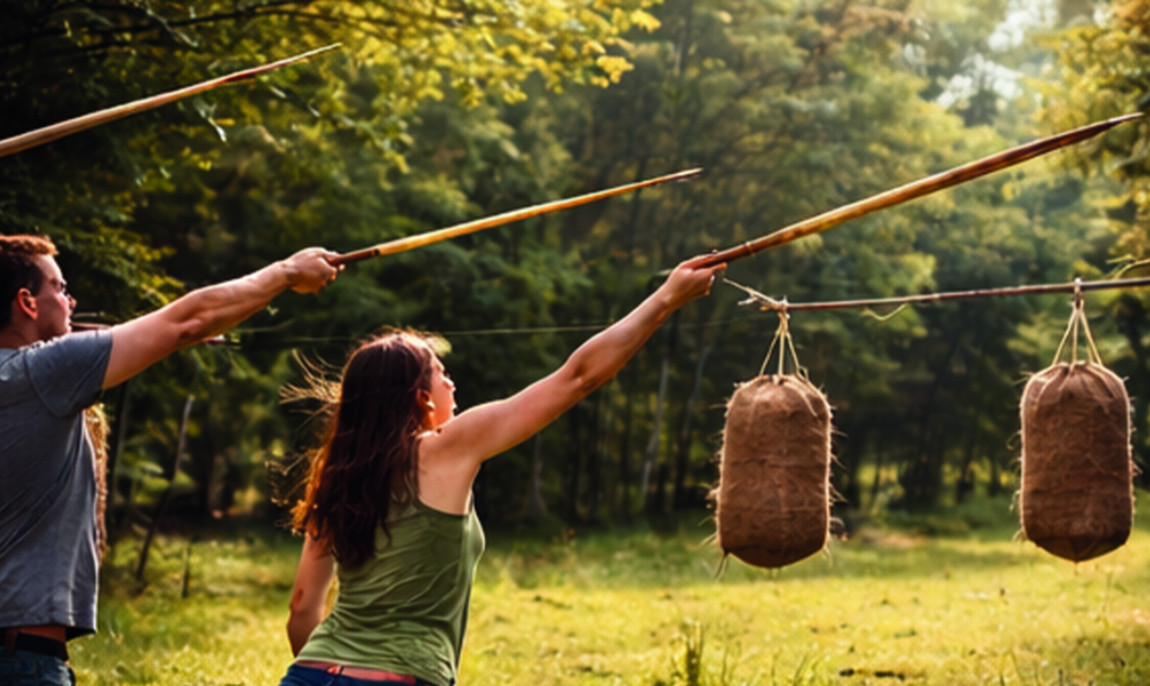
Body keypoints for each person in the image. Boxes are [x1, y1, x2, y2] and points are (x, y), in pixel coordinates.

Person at [280, 254, 725, 686]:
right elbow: (578, 377)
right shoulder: (448, 447)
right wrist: (666, 298)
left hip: (309, 673)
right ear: (421, 399)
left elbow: (302, 609)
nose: (452, 382)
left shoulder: (337, 478)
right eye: (441, 372)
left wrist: (335, 668)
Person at [0, 233, 341, 685]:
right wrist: (287, 272)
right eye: (60, 289)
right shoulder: (41, 372)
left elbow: (166, 332)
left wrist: (156, 341)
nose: (72, 299)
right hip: (22, 660)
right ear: (26, 302)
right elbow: (188, 321)